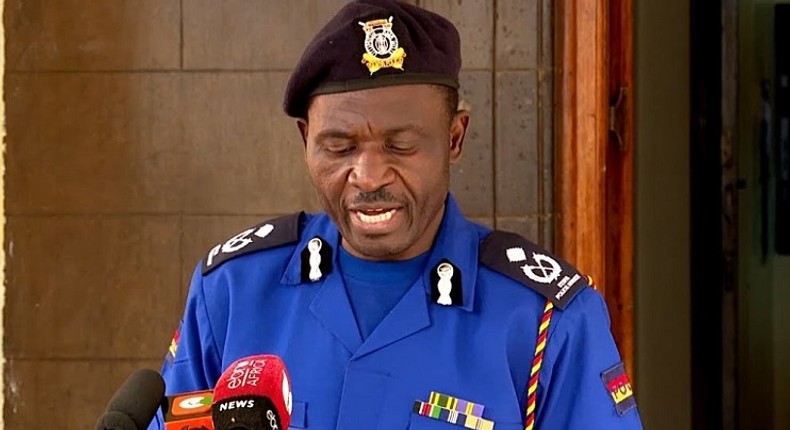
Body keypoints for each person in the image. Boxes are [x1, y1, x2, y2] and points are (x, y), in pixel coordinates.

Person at [149, 0, 644, 428]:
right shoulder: (233, 293)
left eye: (400, 146)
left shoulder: (544, 321)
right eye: (338, 147)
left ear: (454, 139)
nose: (367, 176)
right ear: (306, 142)